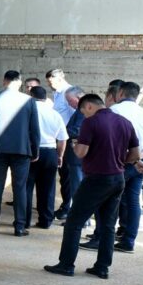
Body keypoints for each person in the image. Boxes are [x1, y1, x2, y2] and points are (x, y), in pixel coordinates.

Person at [45, 94, 140, 279]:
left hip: (96, 178)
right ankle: (102, 267)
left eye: (83, 112)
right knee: (108, 225)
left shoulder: (91, 122)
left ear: (88, 106)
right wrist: (120, 162)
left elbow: (81, 152)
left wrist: (74, 144)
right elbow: (135, 153)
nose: (84, 116)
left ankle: (66, 264)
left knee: (74, 222)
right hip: (117, 178)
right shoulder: (125, 122)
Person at [84, 81, 143, 253]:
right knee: (133, 201)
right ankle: (128, 241)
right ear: (137, 95)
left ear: (119, 94)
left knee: (104, 200)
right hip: (138, 164)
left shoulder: (113, 112)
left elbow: (108, 141)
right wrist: (137, 158)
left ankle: (99, 238)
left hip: (114, 164)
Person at [0, 70, 39, 235]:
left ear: (4, 81)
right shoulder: (29, 101)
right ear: (19, 83)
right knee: (20, 188)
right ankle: (19, 226)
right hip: (21, 150)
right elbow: (34, 129)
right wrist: (35, 150)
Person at [29, 86, 68, 229]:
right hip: (50, 152)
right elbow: (63, 139)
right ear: (45, 98)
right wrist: (60, 155)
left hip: (30, 152)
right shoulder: (55, 114)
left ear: (31, 95)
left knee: (26, 187)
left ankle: (24, 220)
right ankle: (45, 220)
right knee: (47, 188)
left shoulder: (27, 111)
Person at [46, 68, 76, 212]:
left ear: (60, 78)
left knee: (67, 176)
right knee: (64, 175)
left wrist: (67, 136)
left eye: (52, 82)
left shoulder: (68, 94)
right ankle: (66, 205)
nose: (50, 86)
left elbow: (74, 118)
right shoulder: (57, 93)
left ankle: (67, 207)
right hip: (60, 137)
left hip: (68, 139)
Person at [56, 86, 85, 221]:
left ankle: (79, 218)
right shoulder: (79, 111)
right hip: (75, 157)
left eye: (70, 101)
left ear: (79, 98)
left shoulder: (83, 112)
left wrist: (62, 132)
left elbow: (76, 131)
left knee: (77, 188)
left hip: (76, 158)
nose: (69, 104)